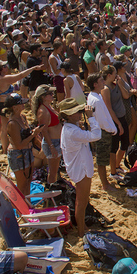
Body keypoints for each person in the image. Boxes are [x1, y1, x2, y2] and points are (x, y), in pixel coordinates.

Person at [59, 99, 101, 237]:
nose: (79, 114)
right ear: (69, 115)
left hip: (80, 168)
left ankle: (82, 229)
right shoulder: (72, 132)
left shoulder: (70, 128)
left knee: (82, 201)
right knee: (81, 203)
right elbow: (96, 135)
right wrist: (91, 118)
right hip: (81, 170)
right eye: (77, 112)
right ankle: (81, 232)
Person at [3, 93, 44, 196]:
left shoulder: (22, 117)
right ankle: (21, 209)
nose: (23, 105)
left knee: (28, 182)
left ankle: (28, 205)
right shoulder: (12, 124)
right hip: (18, 155)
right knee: (22, 185)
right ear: (15, 107)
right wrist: (33, 135)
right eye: (21, 104)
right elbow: (19, 145)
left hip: (27, 152)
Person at [86, 73, 118, 192]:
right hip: (102, 132)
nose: (103, 82)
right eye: (101, 81)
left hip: (101, 130)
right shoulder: (96, 100)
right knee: (102, 160)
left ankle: (105, 182)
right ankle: (105, 184)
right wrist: (112, 129)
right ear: (95, 84)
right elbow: (101, 120)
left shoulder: (94, 96)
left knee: (103, 158)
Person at [102, 65, 129, 177]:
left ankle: (117, 166)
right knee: (113, 147)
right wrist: (118, 124)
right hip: (114, 120)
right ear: (109, 75)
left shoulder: (115, 85)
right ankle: (113, 171)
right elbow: (109, 108)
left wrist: (120, 84)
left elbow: (126, 96)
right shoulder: (105, 89)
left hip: (122, 117)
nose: (116, 75)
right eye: (114, 73)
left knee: (125, 144)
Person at [33, 84, 63, 184]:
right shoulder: (43, 111)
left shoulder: (48, 107)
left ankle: (53, 188)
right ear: (43, 96)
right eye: (50, 93)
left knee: (55, 170)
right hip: (52, 143)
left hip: (56, 141)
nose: (52, 95)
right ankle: (51, 191)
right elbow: (44, 131)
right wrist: (51, 146)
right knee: (53, 172)